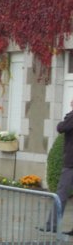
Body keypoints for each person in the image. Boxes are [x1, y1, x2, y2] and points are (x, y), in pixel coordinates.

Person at [42, 99, 73, 234]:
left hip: (71, 163)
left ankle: (52, 225)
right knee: (61, 194)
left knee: (61, 194)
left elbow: (61, 127)